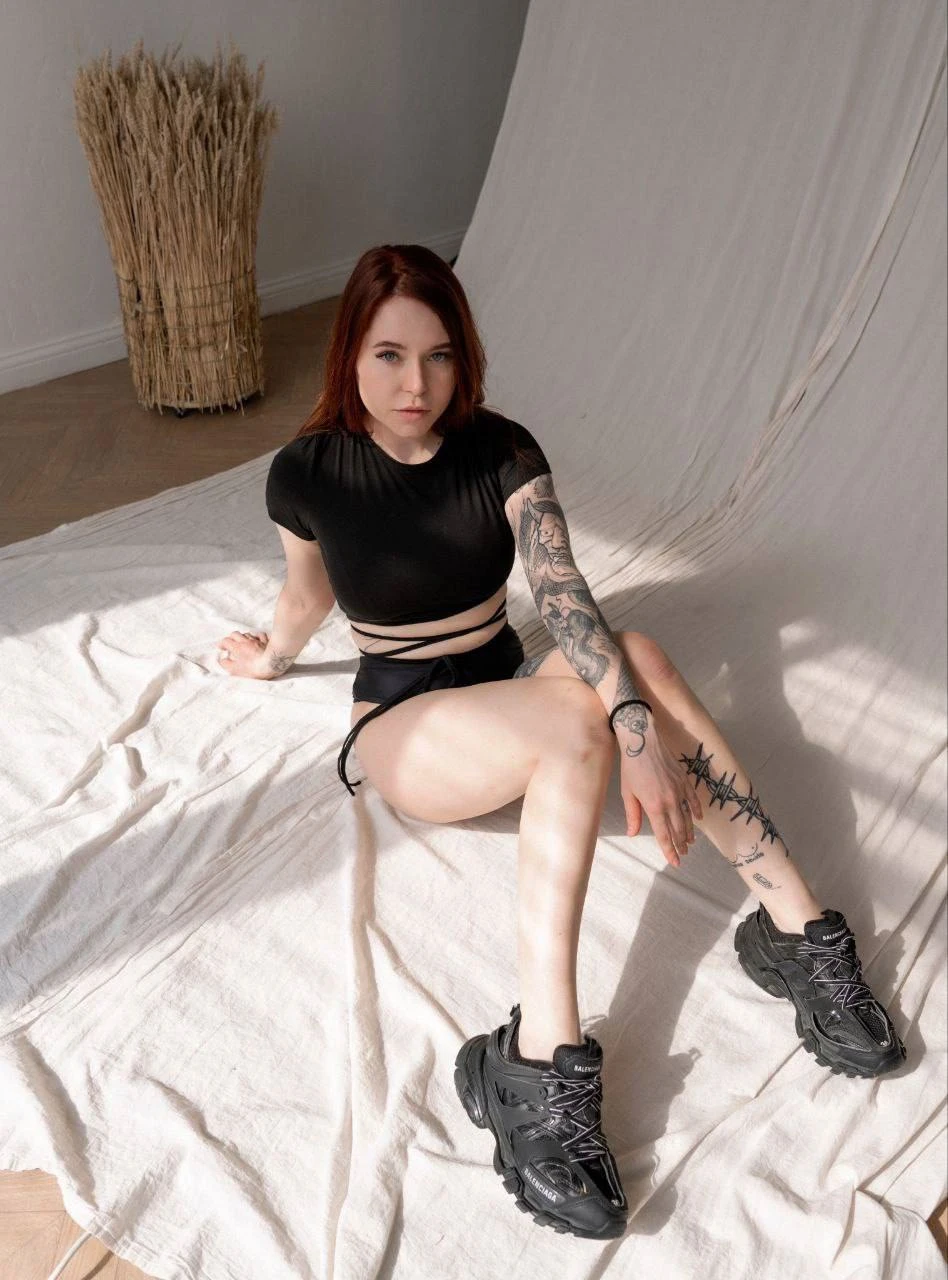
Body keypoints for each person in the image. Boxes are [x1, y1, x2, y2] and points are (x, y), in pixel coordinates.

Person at [217, 243, 906, 1240]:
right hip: (407, 727)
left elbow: (562, 592)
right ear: (349, 356)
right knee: (582, 721)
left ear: (464, 357)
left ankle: (796, 930)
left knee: (639, 657)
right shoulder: (308, 472)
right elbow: (304, 595)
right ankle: (534, 1061)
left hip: (509, 690)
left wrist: (633, 719)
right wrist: (271, 657)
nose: (416, 385)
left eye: (439, 356)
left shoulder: (501, 448)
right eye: (389, 356)